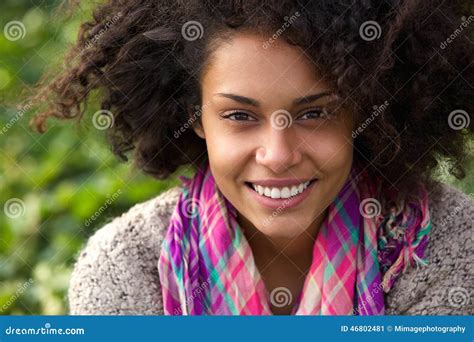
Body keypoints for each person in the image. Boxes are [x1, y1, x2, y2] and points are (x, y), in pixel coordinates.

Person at [32, 0, 473, 315]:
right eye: (240, 115)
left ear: (364, 110)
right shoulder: (126, 269)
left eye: (315, 113)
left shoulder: (450, 247)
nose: (277, 155)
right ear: (197, 118)